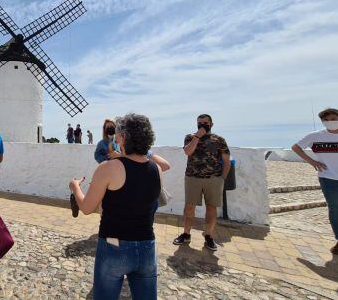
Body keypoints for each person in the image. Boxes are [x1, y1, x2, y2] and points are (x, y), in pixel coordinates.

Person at [69, 113, 161, 299]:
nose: (115, 138)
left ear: (124, 137)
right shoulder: (156, 169)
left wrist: (75, 187)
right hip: (147, 247)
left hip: (114, 245)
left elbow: (86, 207)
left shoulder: (109, 168)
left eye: (118, 134)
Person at [173, 114, 230, 251]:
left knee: (211, 208)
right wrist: (197, 137)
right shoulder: (190, 137)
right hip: (193, 178)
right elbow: (188, 152)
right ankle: (186, 234)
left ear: (211, 124)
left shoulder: (219, 140)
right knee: (189, 208)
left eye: (205, 122)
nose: (202, 125)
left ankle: (209, 237)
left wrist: (222, 178)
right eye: (199, 123)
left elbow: (226, 161)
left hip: (213, 179)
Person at [291, 107, 338, 255]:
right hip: (328, 178)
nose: (330, 122)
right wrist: (312, 162)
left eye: (333, 119)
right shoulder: (316, 136)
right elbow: (296, 147)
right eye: (326, 120)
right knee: (336, 209)